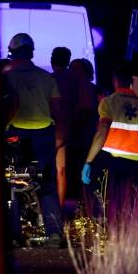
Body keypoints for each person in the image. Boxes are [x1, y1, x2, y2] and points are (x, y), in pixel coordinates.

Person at [3, 33, 65, 247]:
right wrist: (59, 137)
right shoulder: (47, 78)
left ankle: (13, 236)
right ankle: (55, 235)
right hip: (44, 134)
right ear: (31, 52)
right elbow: (57, 111)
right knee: (46, 185)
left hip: (15, 136)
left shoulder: (6, 78)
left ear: (12, 53)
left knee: (11, 184)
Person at [81, 65, 138, 223]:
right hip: (135, 164)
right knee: (129, 205)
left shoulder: (108, 103)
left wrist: (89, 161)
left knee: (104, 202)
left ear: (115, 81)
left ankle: (103, 232)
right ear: (132, 81)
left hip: (110, 162)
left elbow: (102, 132)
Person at [68, 58, 100, 203]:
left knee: (81, 171)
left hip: (83, 138)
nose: (71, 72)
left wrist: (72, 127)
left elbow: (85, 111)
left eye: (75, 69)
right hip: (85, 138)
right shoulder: (90, 88)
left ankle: (83, 204)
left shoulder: (85, 87)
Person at [50, 47, 77, 208]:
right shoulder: (75, 81)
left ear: (52, 60)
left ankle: (45, 208)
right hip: (68, 129)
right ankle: (59, 209)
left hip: (50, 129)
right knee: (62, 171)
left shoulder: (49, 79)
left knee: (46, 172)